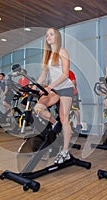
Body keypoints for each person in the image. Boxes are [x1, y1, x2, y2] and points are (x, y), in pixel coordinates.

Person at [33, 27, 74, 164]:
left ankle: (65, 151)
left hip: (65, 87)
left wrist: (50, 86)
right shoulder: (47, 55)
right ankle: (54, 123)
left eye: (51, 34)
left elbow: (65, 74)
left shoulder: (62, 51)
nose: (48, 37)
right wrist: (33, 86)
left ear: (57, 37)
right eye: (46, 35)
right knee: (38, 108)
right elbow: (44, 75)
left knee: (64, 118)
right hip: (54, 89)